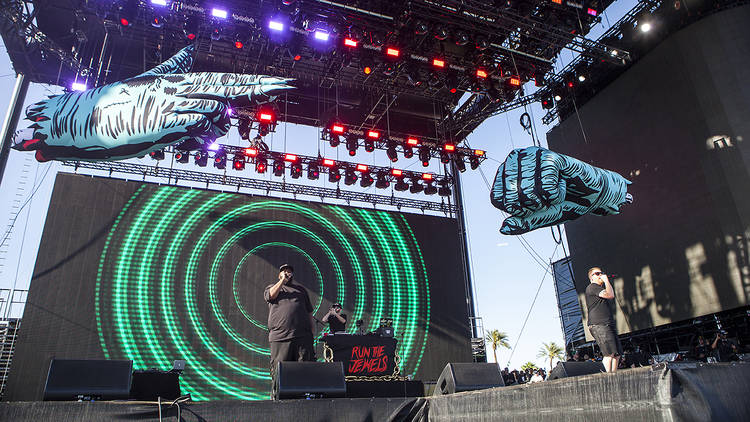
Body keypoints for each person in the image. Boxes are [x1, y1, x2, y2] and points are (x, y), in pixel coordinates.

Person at [264, 264, 316, 373]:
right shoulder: (272, 287)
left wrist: (311, 332)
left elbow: (309, 312)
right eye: (284, 271)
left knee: (304, 371)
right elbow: (271, 295)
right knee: (280, 371)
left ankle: (302, 390)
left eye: (289, 271)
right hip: (280, 337)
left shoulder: (301, 290)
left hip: (302, 337)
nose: (287, 273)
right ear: (279, 275)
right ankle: (278, 390)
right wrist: (282, 280)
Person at [585, 267, 622, 373]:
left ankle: (613, 376)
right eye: (597, 273)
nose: (600, 275)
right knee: (609, 354)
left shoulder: (599, 288)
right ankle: (606, 379)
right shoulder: (592, 287)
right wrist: (606, 280)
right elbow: (610, 295)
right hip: (599, 324)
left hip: (608, 324)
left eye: (601, 273)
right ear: (591, 278)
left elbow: (610, 294)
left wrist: (606, 282)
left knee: (617, 354)